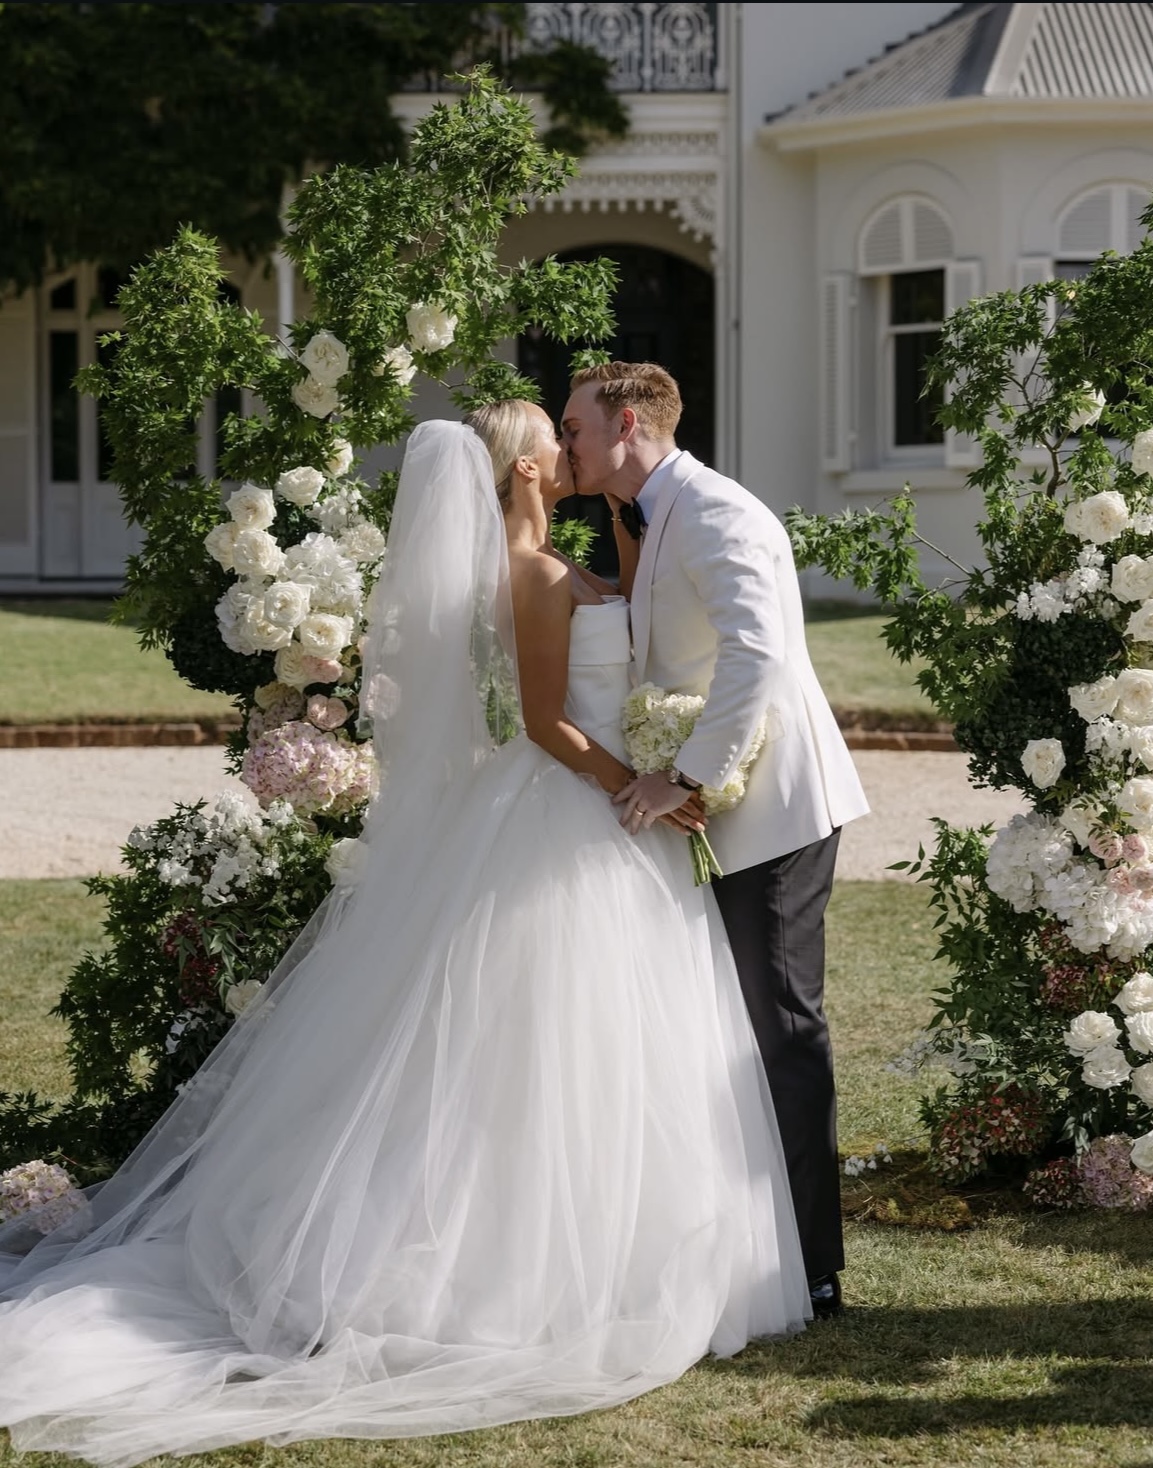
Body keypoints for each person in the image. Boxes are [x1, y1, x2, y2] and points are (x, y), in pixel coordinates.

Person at [0, 412, 808, 1468]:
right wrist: (639, 784)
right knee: (539, 1042)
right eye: (557, 441)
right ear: (528, 467)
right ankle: (505, 1272)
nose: (572, 451)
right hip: (573, 808)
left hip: (606, 817)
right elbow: (543, 723)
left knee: (611, 1044)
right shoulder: (530, 571)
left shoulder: (566, 552)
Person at [562, 364, 870, 1318]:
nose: (564, 442)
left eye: (573, 427)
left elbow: (757, 654)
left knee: (779, 1029)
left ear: (624, 424)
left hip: (770, 805)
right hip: (720, 806)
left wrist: (683, 774)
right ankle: (755, 1244)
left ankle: (813, 1267)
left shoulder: (716, 509)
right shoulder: (650, 514)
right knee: (727, 1026)